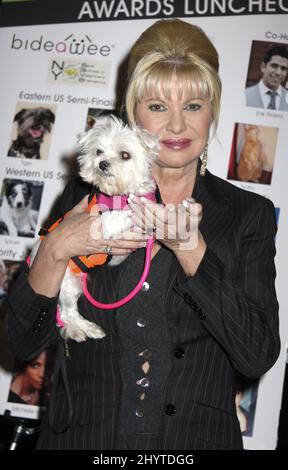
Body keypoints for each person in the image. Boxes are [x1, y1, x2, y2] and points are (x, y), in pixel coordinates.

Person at [5, 19, 280, 450]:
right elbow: (20, 341)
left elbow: (258, 352)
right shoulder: (85, 195)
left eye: (192, 106)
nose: (175, 125)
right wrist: (56, 248)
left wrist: (192, 250)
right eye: (156, 106)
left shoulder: (249, 214)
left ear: (213, 111)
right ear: (131, 111)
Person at [245, 45, 288, 111]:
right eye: (274, 66)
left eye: (283, 68)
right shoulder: (245, 95)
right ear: (263, 67)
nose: (278, 73)